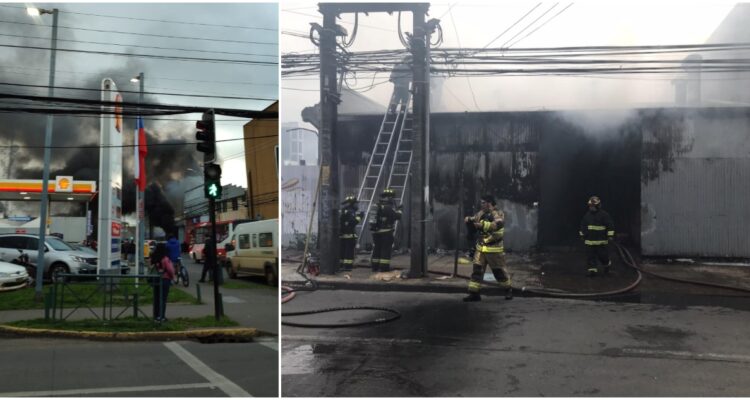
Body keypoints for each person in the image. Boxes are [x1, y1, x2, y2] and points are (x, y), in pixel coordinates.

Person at [463, 195, 513, 302]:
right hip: (481, 248)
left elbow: (498, 225)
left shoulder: (498, 213)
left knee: (499, 272)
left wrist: (483, 225)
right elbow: (474, 218)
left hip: (494, 249)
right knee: (477, 271)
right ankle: (474, 294)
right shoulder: (481, 213)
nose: (481, 205)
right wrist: (468, 219)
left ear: (489, 203)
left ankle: (508, 290)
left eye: (483, 203)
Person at [579, 195, 615, 276]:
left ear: (598, 205)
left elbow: (610, 225)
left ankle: (606, 267)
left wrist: (610, 236)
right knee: (590, 257)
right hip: (590, 242)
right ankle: (592, 271)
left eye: (593, 206)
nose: (591, 207)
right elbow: (583, 225)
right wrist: (582, 235)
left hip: (601, 241)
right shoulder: (587, 215)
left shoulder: (604, 215)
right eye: (590, 206)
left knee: (603, 256)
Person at [370, 188, 402, 272]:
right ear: (389, 198)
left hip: (376, 232)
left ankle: (375, 267)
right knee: (385, 249)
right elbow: (397, 216)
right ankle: (384, 267)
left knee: (377, 249)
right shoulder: (387, 207)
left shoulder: (376, 206)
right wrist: (399, 210)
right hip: (386, 232)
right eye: (392, 198)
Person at [150, 243, 175, 322]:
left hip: (155, 279)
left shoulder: (154, 258)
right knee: (163, 299)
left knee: (156, 298)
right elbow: (170, 270)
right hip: (164, 279)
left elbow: (150, 267)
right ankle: (161, 317)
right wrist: (172, 277)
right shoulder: (165, 258)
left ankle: (155, 316)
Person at [339, 195, 364, 272]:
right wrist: (360, 216)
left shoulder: (342, 210)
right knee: (349, 251)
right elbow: (352, 222)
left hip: (342, 235)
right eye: (355, 203)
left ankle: (341, 265)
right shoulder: (351, 211)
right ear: (352, 204)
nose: (357, 205)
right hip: (349, 235)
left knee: (342, 251)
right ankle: (348, 266)